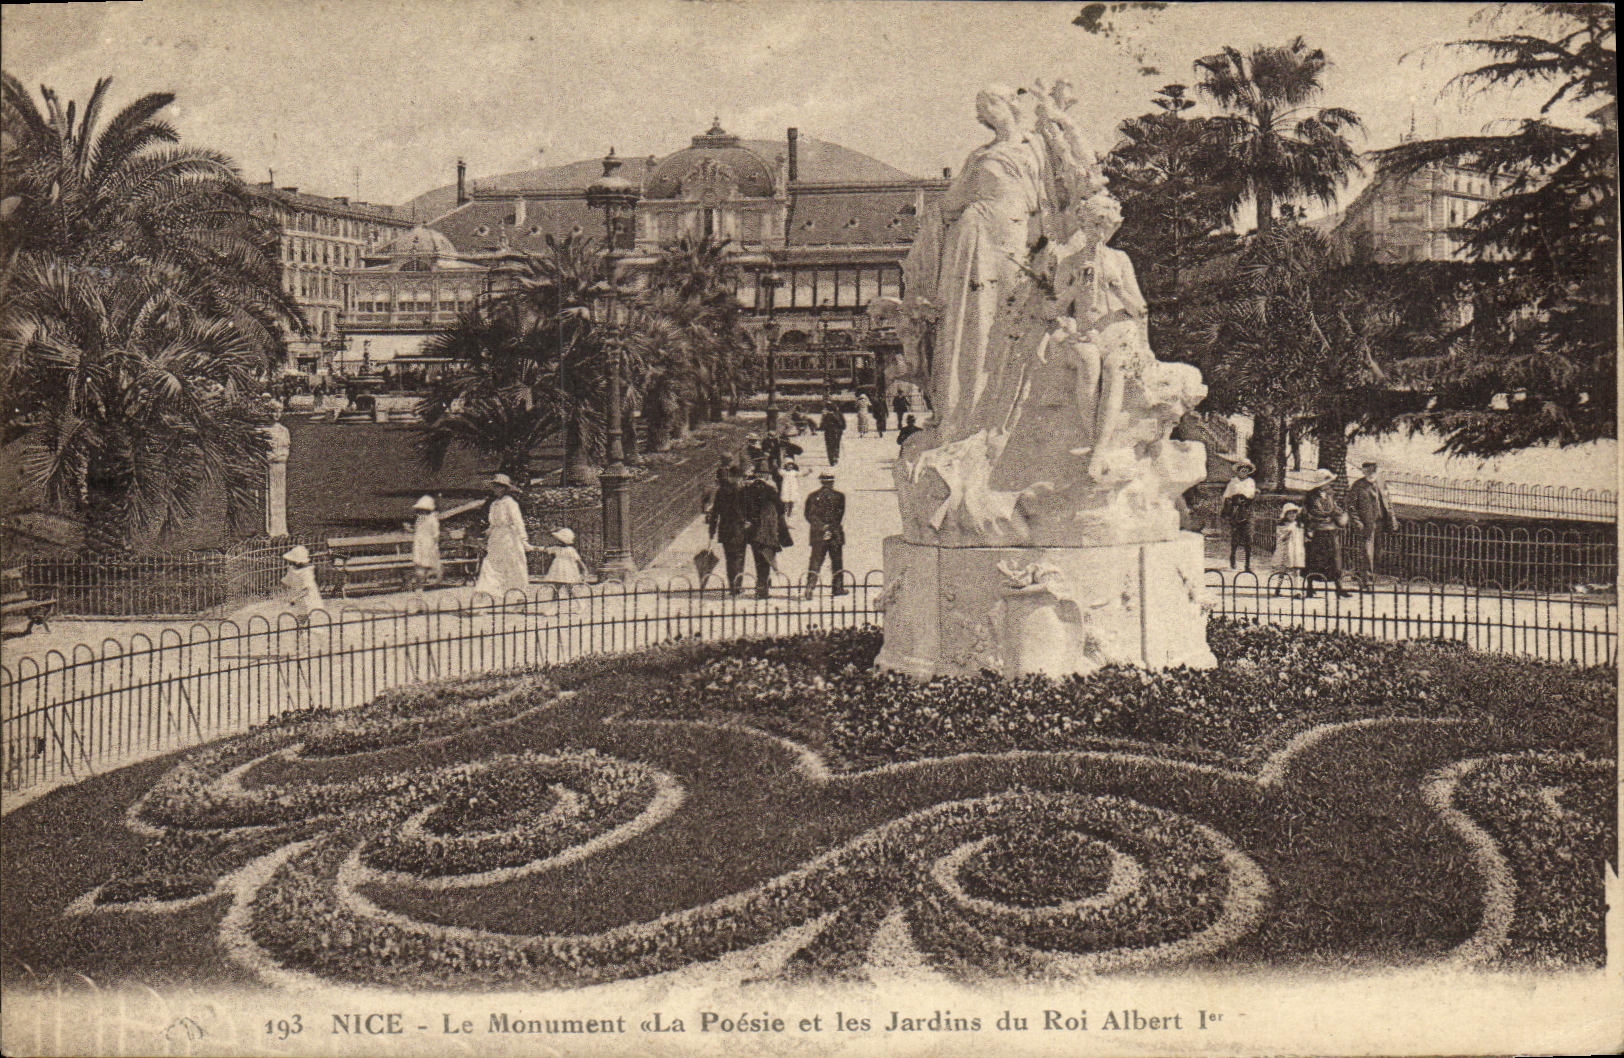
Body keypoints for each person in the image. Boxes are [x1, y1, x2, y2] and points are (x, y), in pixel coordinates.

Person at [473, 473, 532, 598]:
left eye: (498, 486)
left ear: (504, 488)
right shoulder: (494, 504)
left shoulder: (510, 503)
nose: (495, 489)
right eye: (494, 486)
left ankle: (519, 599)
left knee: (514, 568)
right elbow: (493, 524)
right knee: (489, 566)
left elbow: (518, 521)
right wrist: (486, 535)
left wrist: (523, 539)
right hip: (496, 539)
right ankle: (482, 600)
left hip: (510, 539)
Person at [1347, 460, 1400, 590]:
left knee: (1378, 553)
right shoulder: (1358, 485)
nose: (1371, 474)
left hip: (1381, 523)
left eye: (1373, 471)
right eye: (1368, 471)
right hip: (1366, 525)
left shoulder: (1382, 483)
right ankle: (1368, 582)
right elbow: (1351, 506)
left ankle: (1365, 576)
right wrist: (1358, 523)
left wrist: (1392, 518)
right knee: (1367, 553)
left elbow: (1388, 503)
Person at [1301, 468, 1353, 598]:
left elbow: (1334, 508)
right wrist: (1329, 515)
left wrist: (1339, 514)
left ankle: (1338, 587)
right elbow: (1311, 513)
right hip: (1317, 531)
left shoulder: (1330, 494)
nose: (1329, 484)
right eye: (1327, 482)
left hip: (1330, 530)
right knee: (1314, 560)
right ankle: (1309, 587)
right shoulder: (1311, 496)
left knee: (1334, 559)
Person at [739, 465, 787, 599]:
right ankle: (762, 589)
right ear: (766, 476)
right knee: (766, 558)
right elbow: (781, 509)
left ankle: (763, 584)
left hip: (753, 531)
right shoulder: (771, 490)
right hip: (767, 531)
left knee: (758, 560)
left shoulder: (747, 490)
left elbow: (742, 509)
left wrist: (749, 520)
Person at [705, 463, 749, 595]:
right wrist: (746, 521)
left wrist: (712, 531)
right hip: (739, 529)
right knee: (740, 557)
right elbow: (742, 510)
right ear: (738, 477)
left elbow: (715, 513)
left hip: (725, 529)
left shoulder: (721, 491)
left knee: (730, 558)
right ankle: (737, 586)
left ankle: (732, 586)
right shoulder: (741, 491)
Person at [803, 471, 847, 598]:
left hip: (818, 534)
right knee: (837, 561)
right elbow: (839, 515)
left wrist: (822, 528)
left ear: (821, 481)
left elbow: (809, 515)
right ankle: (837, 588)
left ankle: (810, 587)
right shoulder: (839, 496)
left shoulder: (812, 496)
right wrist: (830, 528)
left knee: (815, 561)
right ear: (832, 481)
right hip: (835, 533)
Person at [1221, 460, 1258, 573]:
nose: (1244, 471)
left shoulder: (1251, 481)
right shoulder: (1233, 482)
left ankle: (1247, 564)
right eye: (1242, 469)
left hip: (1247, 510)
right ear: (1238, 471)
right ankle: (1233, 556)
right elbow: (1226, 496)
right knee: (1235, 537)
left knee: (1248, 537)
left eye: (1246, 469)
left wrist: (1246, 497)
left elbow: (1251, 494)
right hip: (1236, 511)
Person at [279, 545, 324, 621]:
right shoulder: (292, 570)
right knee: (300, 619)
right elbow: (286, 582)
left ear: (298, 562)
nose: (290, 563)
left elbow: (307, 590)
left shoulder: (307, 572)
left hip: (309, 600)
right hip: (299, 601)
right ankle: (302, 630)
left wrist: (294, 599)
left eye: (292, 561)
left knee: (310, 620)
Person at [1273, 503, 1307, 597]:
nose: (1292, 515)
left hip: (1296, 550)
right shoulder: (1281, 526)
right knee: (1283, 571)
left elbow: (1302, 537)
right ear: (1285, 515)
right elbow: (1281, 538)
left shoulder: (1299, 525)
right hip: (1287, 550)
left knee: (1297, 570)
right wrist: (1288, 532)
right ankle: (1278, 587)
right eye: (1290, 513)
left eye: (1294, 513)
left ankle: (1297, 591)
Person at [410, 495, 443, 590]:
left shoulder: (433, 520)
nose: (420, 512)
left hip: (428, 545)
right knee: (419, 564)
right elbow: (418, 532)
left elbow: (436, 535)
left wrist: (434, 545)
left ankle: (428, 583)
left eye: (423, 510)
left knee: (426, 565)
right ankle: (420, 586)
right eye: (419, 510)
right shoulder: (419, 520)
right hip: (419, 545)